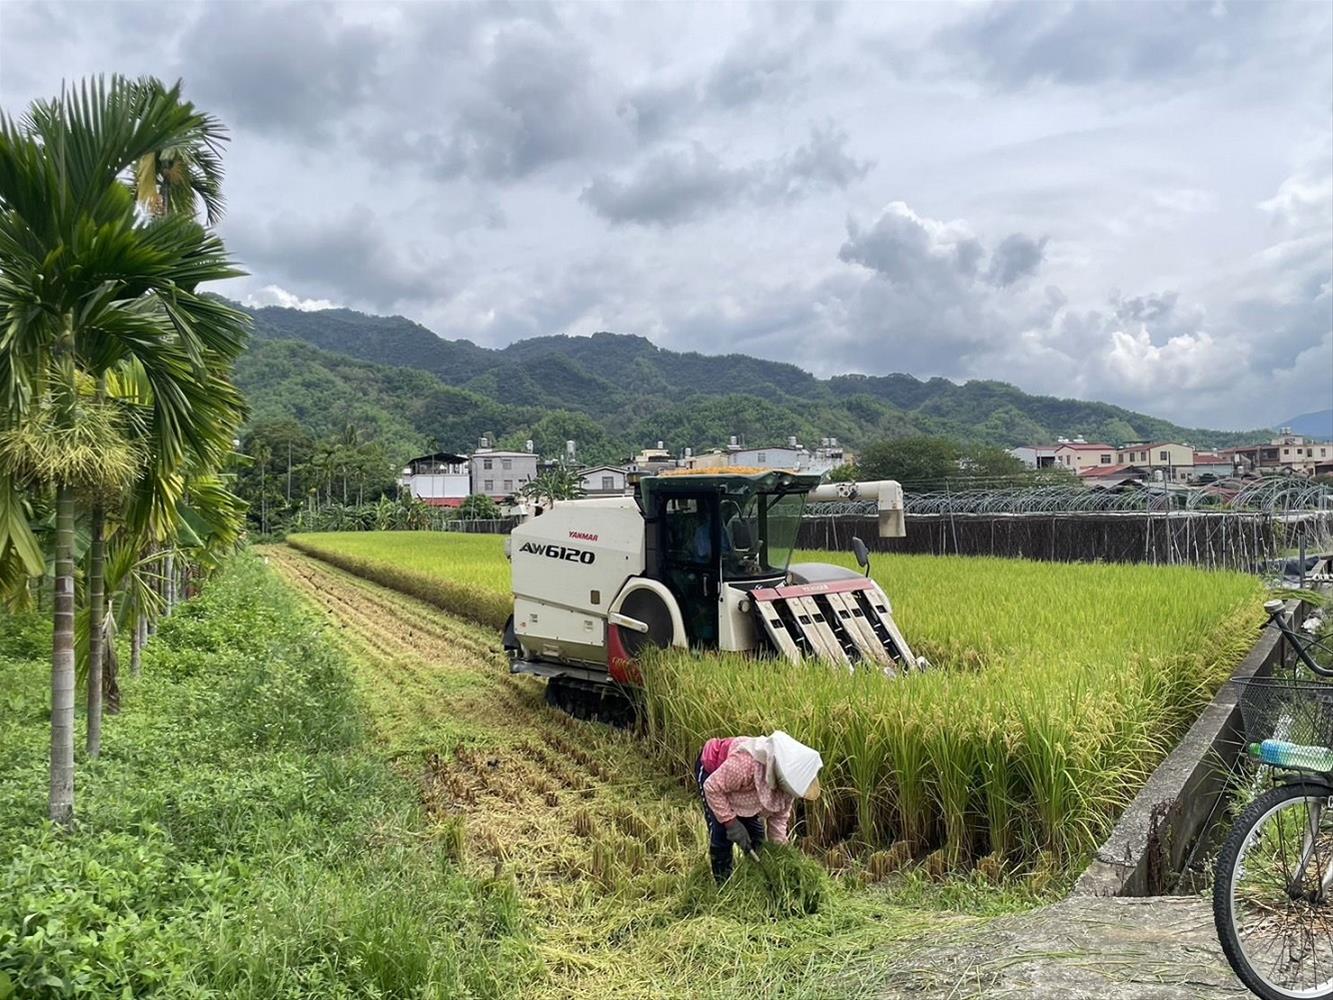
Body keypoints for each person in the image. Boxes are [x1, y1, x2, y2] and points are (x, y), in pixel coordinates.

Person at [696, 730, 823, 882]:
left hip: (742, 791)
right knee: (721, 834)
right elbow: (712, 788)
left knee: (758, 838)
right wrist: (731, 823)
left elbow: (778, 822)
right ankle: (723, 883)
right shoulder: (746, 763)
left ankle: (758, 880)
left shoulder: (788, 788)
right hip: (714, 774)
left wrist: (783, 856)